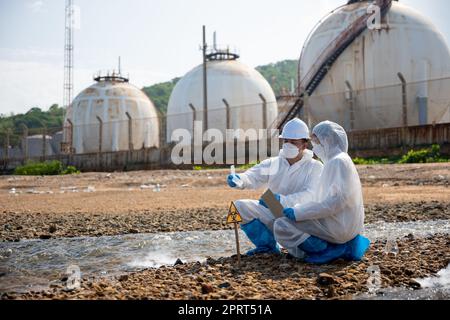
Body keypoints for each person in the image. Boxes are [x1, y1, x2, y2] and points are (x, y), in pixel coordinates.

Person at [275, 121, 370, 264]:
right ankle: (338, 246)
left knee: (281, 225)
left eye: (316, 142)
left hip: (340, 226)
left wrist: (298, 212)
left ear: (328, 140)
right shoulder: (339, 160)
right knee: (284, 219)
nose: (315, 147)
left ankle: (327, 250)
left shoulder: (334, 163)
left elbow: (333, 202)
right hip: (345, 224)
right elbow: (326, 198)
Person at [227, 118, 323, 256]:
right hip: (274, 209)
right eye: (286, 141)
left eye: (294, 142)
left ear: (304, 145)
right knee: (239, 206)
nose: (288, 145)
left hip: (299, 216)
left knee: (301, 254)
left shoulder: (315, 167)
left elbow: (311, 196)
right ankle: (267, 247)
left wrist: (281, 200)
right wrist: (239, 180)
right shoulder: (274, 163)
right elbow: (253, 176)